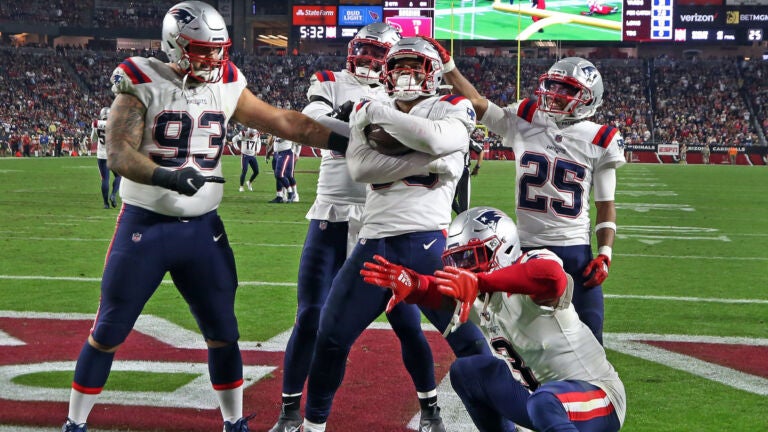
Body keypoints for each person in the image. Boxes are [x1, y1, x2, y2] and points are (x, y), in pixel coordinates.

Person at [61, 2, 349, 432]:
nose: (214, 60)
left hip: (202, 231)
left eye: (219, 50)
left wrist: (354, 140)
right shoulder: (142, 80)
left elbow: (290, 124)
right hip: (146, 226)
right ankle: (75, 423)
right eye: (202, 50)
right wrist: (169, 177)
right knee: (109, 329)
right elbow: (119, 153)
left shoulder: (229, 82)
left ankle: (234, 422)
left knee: (223, 330)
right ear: (174, 45)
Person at [300, 37, 489, 432]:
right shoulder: (377, 106)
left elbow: (438, 139)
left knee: (471, 344)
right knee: (330, 339)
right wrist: (426, 160)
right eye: (398, 66)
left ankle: (495, 424)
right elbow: (361, 169)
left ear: (432, 71)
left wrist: (377, 119)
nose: (405, 74)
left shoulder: (452, 105)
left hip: (429, 245)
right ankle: (312, 425)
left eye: (414, 66)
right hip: (374, 245)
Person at [269, 23, 446, 432]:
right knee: (310, 315)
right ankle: (291, 410)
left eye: (375, 54)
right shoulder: (331, 82)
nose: (367, 60)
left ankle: (431, 408)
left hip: (378, 218)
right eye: (362, 51)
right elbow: (312, 121)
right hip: (331, 211)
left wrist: (363, 129)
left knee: (405, 320)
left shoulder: (403, 95)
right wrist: (361, 128)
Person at [361, 206, 626, 432]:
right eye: (456, 261)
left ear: (503, 247)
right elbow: (438, 291)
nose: (463, 269)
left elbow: (552, 279)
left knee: (545, 402)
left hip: (599, 399)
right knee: (466, 372)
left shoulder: (532, 266)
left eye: (470, 257)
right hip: (539, 397)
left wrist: (479, 281)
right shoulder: (479, 293)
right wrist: (416, 285)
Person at [435, 43, 625, 344]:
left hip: (574, 250)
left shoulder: (601, 138)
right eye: (552, 86)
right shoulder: (526, 116)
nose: (555, 94)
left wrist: (605, 254)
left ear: (588, 98)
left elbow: (605, 205)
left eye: (566, 89)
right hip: (524, 249)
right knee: (520, 340)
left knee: (590, 337)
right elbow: (477, 103)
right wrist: (450, 67)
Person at [92, 107, 122, 209]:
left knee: (105, 179)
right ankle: (113, 194)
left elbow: (93, 139)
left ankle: (106, 204)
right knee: (119, 176)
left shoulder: (96, 123)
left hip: (101, 155)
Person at [452, 126, 486, 215]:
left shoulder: (449, 137)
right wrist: (477, 167)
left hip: (455, 171)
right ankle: (462, 217)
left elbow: (481, 151)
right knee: (456, 202)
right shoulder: (466, 139)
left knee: (450, 198)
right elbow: (481, 150)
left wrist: (477, 167)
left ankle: (462, 217)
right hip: (460, 171)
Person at [267, 136, 298, 203]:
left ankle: (291, 193)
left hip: (286, 153)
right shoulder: (276, 129)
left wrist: (297, 154)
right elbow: (275, 142)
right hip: (278, 153)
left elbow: (283, 138)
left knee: (281, 174)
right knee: (278, 175)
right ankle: (279, 196)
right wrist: (268, 153)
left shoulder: (286, 129)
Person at [231, 127, 261, 192]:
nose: (252, 135)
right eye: (251, 134)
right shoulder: (243, 134)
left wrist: (257, 150)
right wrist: (236, 147)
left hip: (252, 155)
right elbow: (234, 139)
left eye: (253, 134)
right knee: (244, 170)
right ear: (248, 132)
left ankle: (249, 182)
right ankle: (241, 187)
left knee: (256, 171)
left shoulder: (257, 134)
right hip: (245, 155)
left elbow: (259, 142)